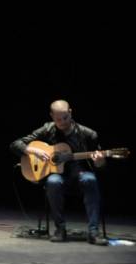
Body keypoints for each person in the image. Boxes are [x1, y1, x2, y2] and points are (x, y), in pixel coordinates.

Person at [10, 99, 107, 245]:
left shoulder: (88, 134)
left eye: (65, 118)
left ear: (70, 112)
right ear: (52, 116)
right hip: (57, 176)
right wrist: (33, 151)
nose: (62, 122)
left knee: (91, 179)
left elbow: (101, 166)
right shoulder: (47, 129)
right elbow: (15, 144)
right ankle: (60, 229)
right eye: (58, 119)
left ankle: (93, 232)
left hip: (80, 175)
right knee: (53, 181)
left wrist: (99, 161)